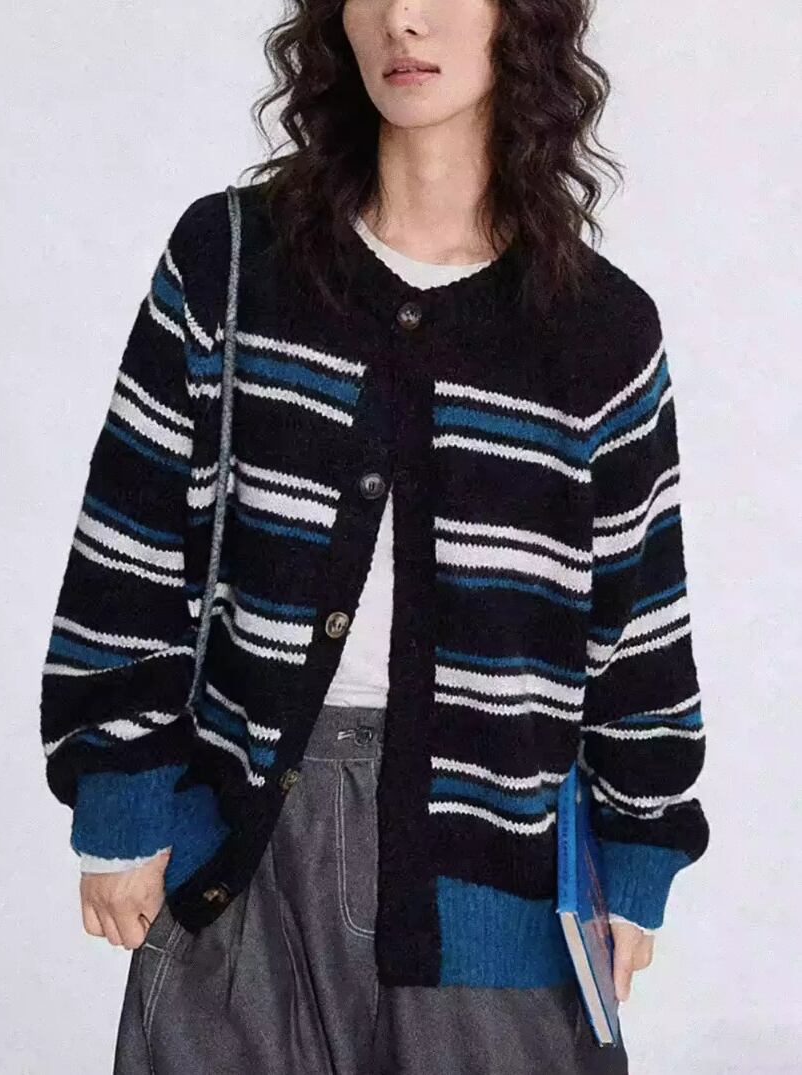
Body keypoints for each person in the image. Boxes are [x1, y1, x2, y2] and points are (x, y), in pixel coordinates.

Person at [39, 1, 709, 1072]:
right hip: (240, 855)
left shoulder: (599, 330)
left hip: (494, 876)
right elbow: (129, 539)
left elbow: (637, 627)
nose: (404, 19)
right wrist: (120, 794)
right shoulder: (229, 260)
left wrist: (636, 859)